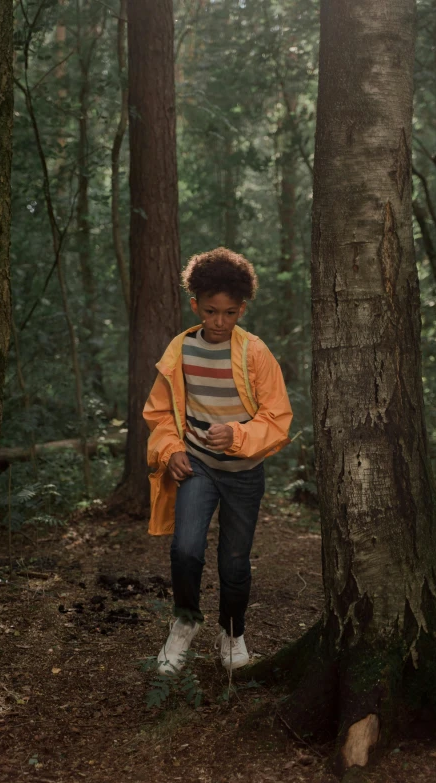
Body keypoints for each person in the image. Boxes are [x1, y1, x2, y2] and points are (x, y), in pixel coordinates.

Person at [143, 247, 293, 675]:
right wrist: (171, 449)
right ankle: (185, 622)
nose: (220, 321)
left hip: (244, 472)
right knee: (186, 548)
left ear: (242, 309)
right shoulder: (181, 350)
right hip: (198, 466)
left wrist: (239, 433)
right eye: (211, 311)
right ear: (195, 305)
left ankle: (232, 632)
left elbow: (278, 417)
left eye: (230, 313)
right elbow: (160, 412)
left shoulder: (255, 353)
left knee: (234, 560)